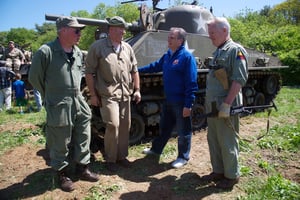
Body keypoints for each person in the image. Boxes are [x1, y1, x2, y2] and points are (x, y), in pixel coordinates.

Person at [29, 16, 99, 192]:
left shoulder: (76, 52)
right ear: (63, 31)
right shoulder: (46, 52)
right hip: (58, 102)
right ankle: (62, 173)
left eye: (80, 30)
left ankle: (82, 168)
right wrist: (50, 96)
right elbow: (34, 78)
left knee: (84, 134)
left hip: (78, 100)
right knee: (60, 138)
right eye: (76, 30)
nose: (79, 33)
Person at [85, 16, 141, 172]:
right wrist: (93, 95)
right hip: (108, 94)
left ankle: (122, 157)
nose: (123, 31)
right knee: (113, 125)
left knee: (125, 126)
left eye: (123, 29)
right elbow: (89, 72)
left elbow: (134, 70)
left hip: (125, 95)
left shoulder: (127, 48)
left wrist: (137, 89)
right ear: (110, 30)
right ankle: (110, 159)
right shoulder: (97, 47)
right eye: (119, 29)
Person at [139, 27, 198, 168]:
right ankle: (156, 150)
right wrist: (137, 70)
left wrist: (188, 104)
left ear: (180, 41)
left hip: (181, 101)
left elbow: (192, 82)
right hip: (168, 100)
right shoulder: (168, 55)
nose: (168, 39)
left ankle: (183, 157)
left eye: (172, 37)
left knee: (183, 131)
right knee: (164, 128)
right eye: (169, 37)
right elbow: (155, 66)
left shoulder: (186, 57)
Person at [201, 17, 248, 189]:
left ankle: (231, 176)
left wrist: (227, 104)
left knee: (227, 140)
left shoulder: (235, 51)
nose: (210, 36)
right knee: (214, 139)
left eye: (212, 33)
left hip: (226, 106)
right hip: (213, 106)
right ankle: (219, 171)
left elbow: (238, 80)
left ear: (224, 31)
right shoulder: (219, 51)